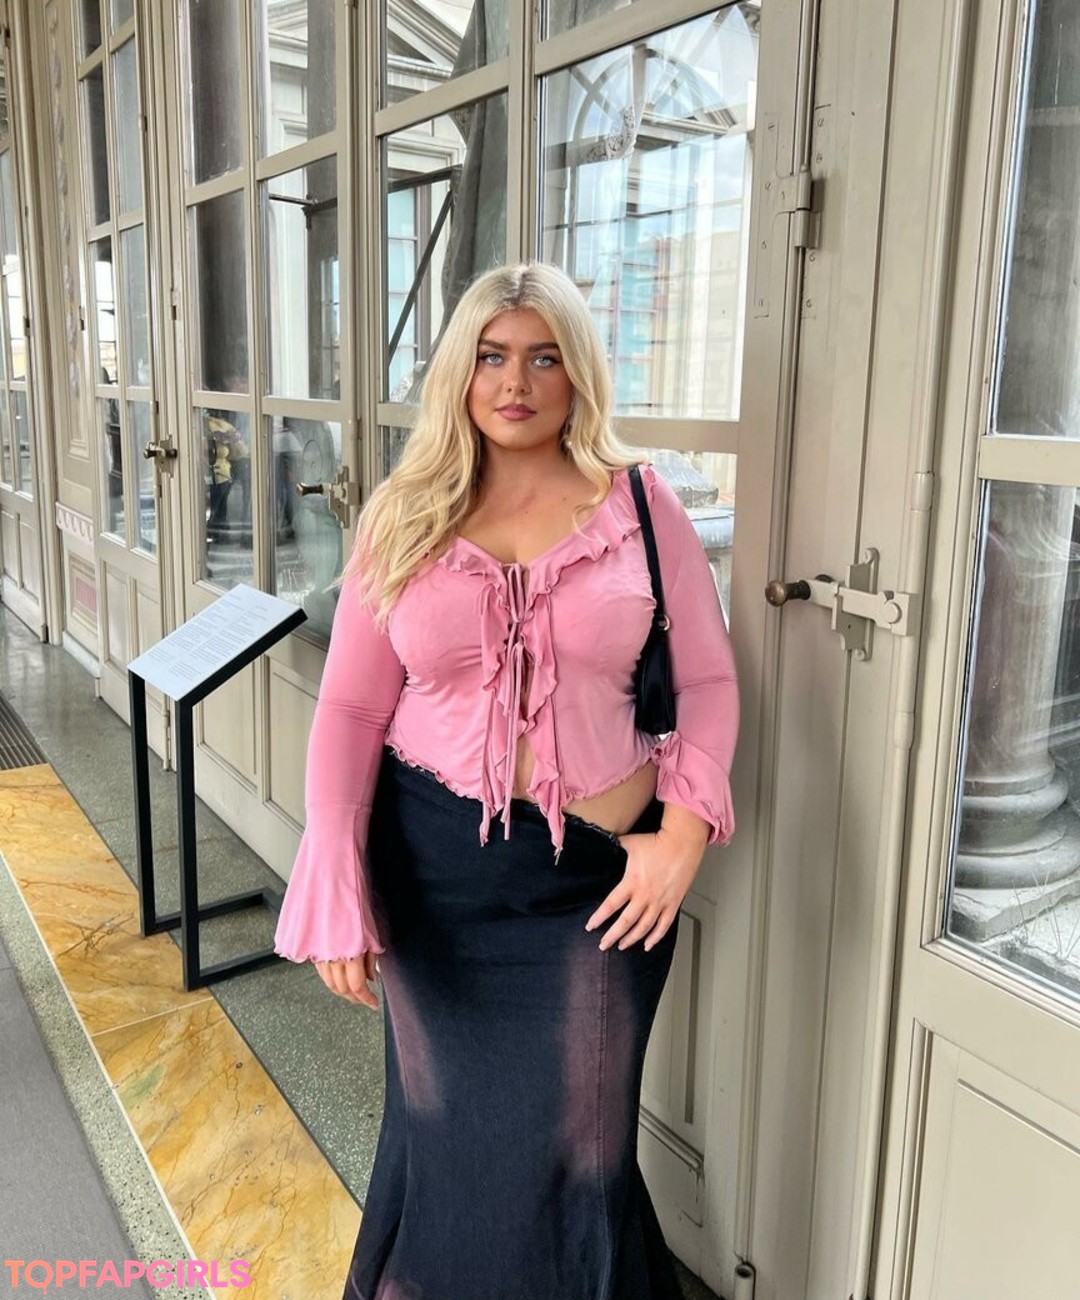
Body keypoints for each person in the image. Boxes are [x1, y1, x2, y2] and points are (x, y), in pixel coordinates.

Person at [273, 262, 739, 1300]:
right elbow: (352, 711)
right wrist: (336, 869)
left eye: (543, 357)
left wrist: (682, 834)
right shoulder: (404, 513)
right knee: (444, 1136)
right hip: (432, 876)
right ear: (460, 369)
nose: (515, 382)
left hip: (597, 892)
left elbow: (708, 681)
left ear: (579, 375)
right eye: (491, 356)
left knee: (586, 1150)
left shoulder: (642, 505)